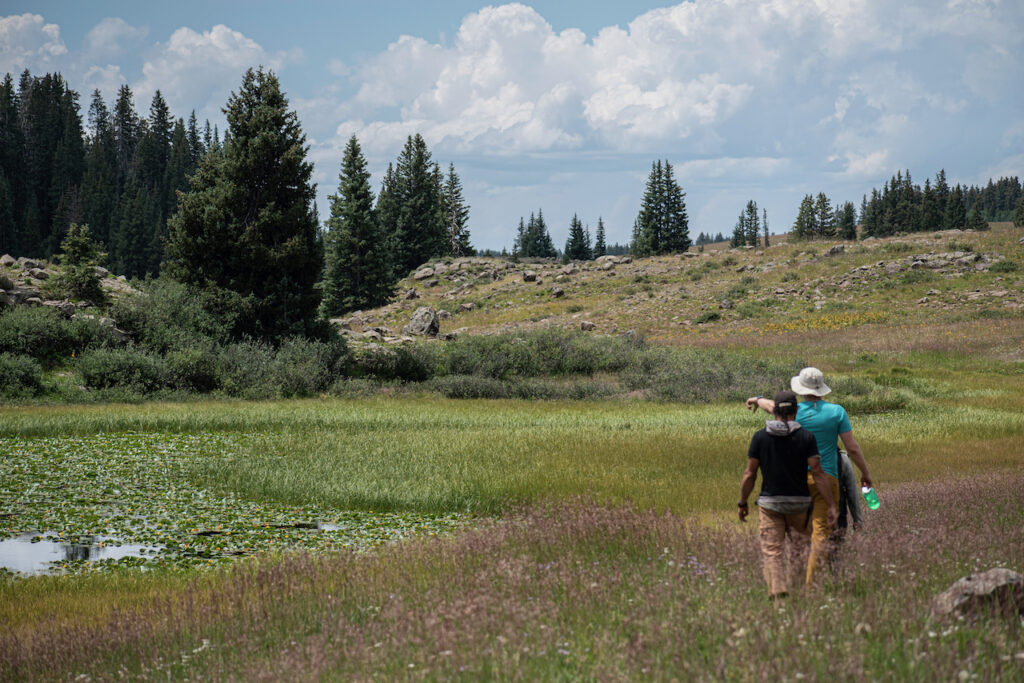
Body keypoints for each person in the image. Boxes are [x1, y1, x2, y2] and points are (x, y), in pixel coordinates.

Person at [746, 367, 874, 586]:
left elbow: (770, 406)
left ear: (801, 389)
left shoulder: (795, 412)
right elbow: (851, 448)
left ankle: (792, 580)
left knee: (800, 534)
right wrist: (865, 472)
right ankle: (811, 585)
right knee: (821, 532)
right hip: (828, 479)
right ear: (822, 389)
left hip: (797, 480)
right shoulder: (837, 412)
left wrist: (757, 399)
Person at [739, 390, 838, 600]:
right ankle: (798, 596)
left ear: (775, 411)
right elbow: (818, 473)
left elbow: (750, 474)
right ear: (795, 411)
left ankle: (778, 593)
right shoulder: (806, 437)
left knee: (772, 552)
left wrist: (743, 502)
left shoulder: (760, 437)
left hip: (770, 505)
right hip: (800, 505)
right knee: (799, 552)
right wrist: (831, 505)